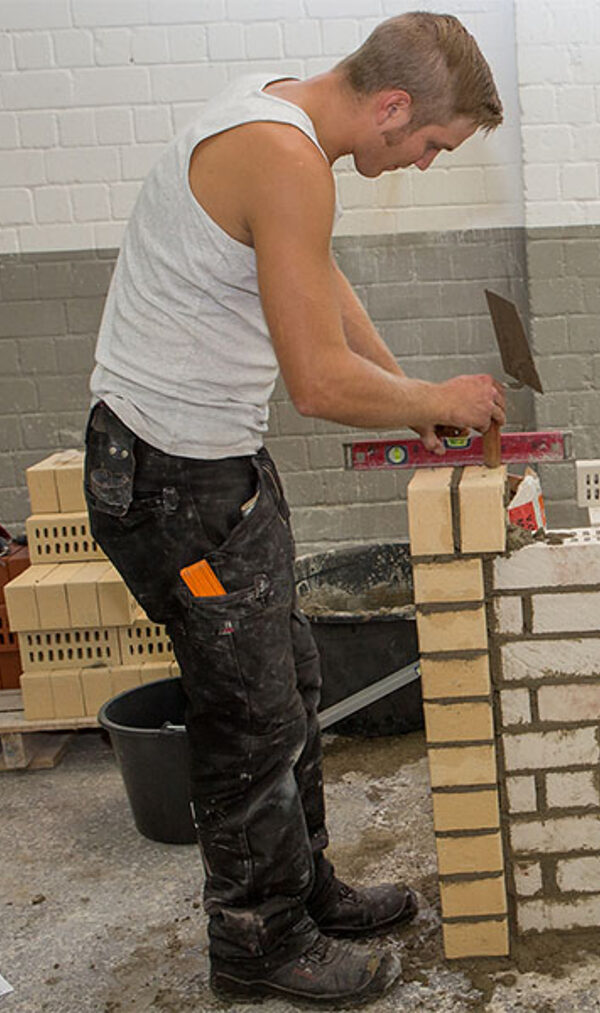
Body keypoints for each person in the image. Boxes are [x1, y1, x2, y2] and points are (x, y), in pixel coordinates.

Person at [82, 12, 505, 1007]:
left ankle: (300, 889)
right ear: (392, 106)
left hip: (213, 465)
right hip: (168, 482)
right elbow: (315, 381)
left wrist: (410, 397)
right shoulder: (283, 158)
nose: (426, 164)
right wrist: (435, 400)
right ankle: (257, 942)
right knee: (248, 714)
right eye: (432, 146)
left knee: (289, 678)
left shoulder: (281, 120)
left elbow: (320, 278)